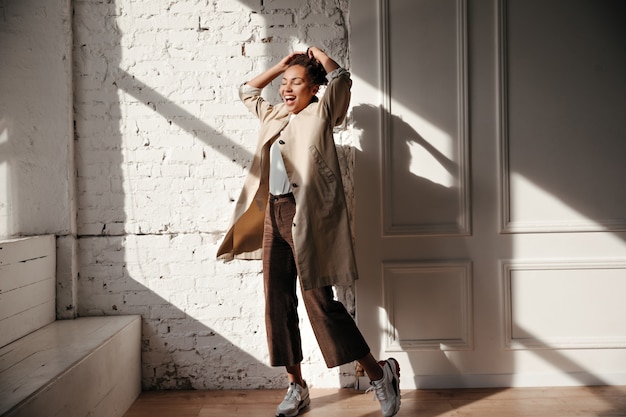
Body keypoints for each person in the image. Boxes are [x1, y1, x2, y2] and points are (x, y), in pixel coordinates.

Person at [217, 47, 401, 417]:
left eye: (296, 82)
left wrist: (317, 53)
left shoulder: (322, 113)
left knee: (320, 303)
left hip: (306, 218)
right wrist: (283, 66)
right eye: (284, 83)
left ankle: (380, 374)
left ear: (313, 86)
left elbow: (341, 79)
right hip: (273, 212)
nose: (286, 88)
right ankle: (296, 386)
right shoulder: (274, 115)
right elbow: (246, 90)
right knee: (277, 301)